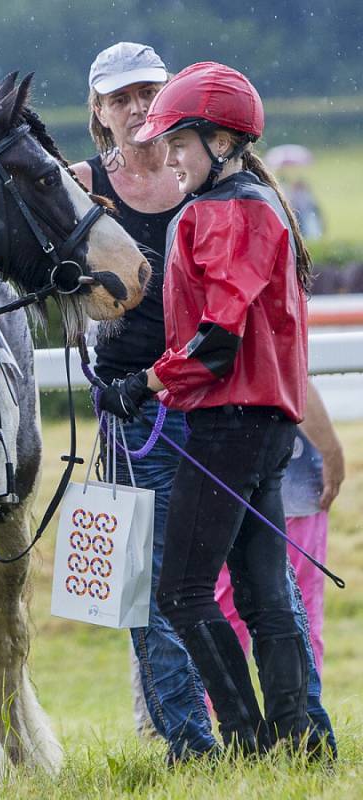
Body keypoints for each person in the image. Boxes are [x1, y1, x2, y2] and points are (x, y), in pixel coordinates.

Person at [99, 61, 334, 754]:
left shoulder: (225, 212)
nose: (168, 155)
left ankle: (244, 738)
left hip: (229, 425)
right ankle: (301, 741)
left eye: (181, 142)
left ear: (224, 142)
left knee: (181, 592)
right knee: (263, 595)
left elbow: (217, 343)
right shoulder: (255, 203)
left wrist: (143, 383)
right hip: (264, 429)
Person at [72, 42, 218, 761]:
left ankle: (270, 726)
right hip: (135, 417)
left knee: (235, 574)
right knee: (147, 585)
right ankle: (187, 740)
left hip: (220, 400)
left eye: (147, 92)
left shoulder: (209, 177)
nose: (135, 106)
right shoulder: (79, 186)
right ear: (98, 111)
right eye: (119, 96)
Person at [215, 379, 345, 674]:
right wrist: (331, 452)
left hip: (225, 475)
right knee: (299, 606)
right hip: (291, 484)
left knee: (225, 605)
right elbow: (295, 380)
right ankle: (303, 707)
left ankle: (221, 708)